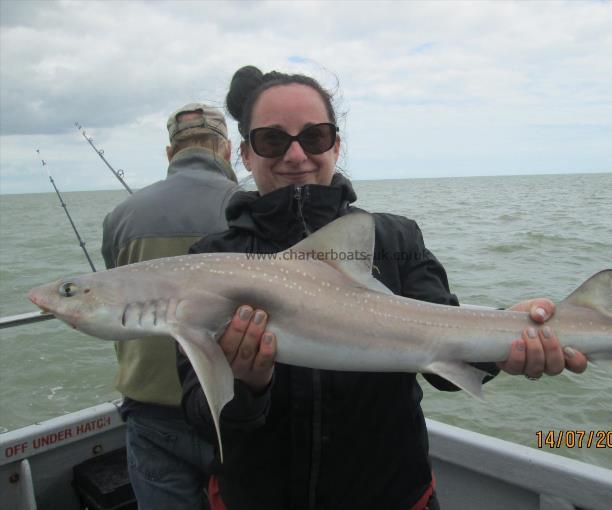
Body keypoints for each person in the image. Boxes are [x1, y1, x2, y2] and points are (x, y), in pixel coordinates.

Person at [177, 66, 588, 510]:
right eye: (273, 140)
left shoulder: (393, 240)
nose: (295, 155)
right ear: (245, 153)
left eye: (314, 137)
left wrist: (511, 334)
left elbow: (443, 358)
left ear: (336, 144)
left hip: (393, 496)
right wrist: (245, 386)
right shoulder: (209, 262)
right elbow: (201, 418)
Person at [101, 103, 238, 509]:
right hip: (233, 405)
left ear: (168, 153)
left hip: (151, 409)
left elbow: (110, 296)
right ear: (228, 149)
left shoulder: (120, 216)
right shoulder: (250, 207)